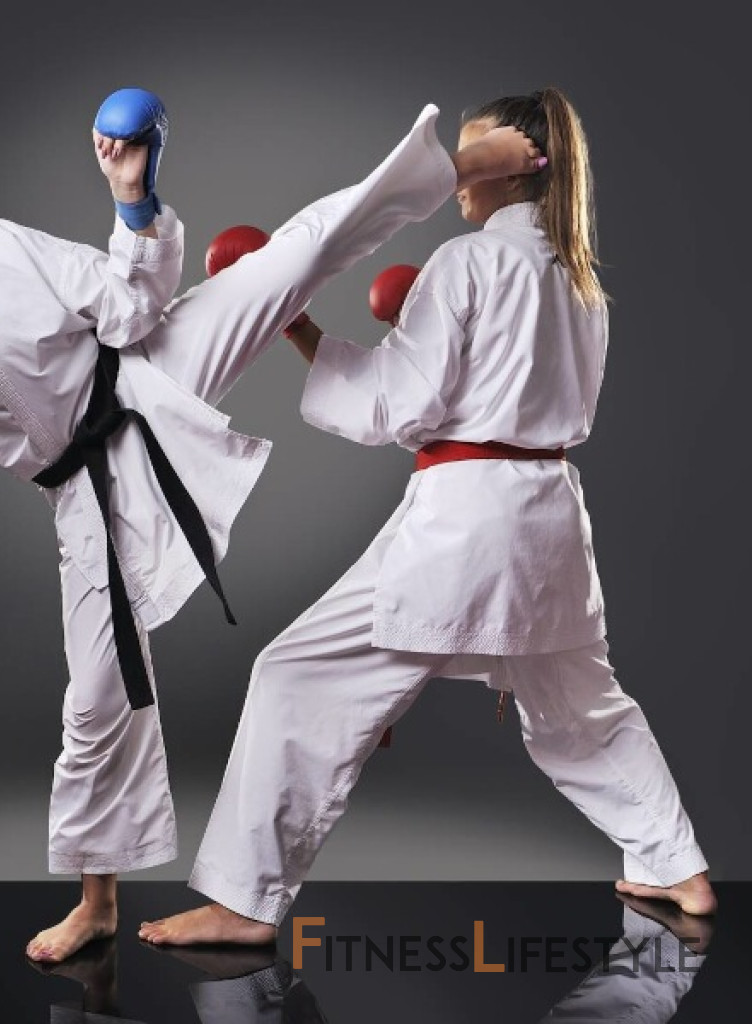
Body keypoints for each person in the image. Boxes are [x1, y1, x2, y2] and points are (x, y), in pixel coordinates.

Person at [0, 95, 544, 963]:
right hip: (85, 487)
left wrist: (133, 200)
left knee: (299, 251)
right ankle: (97, 905)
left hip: (149, 374)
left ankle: (465, 165)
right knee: (98, 701)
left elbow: (130, 311)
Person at [137, 86, 717, 949]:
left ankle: (242, 904)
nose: (459, 184)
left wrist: (296, 327)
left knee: (296, 678)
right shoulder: (582, 283)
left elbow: (400, 408)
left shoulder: (467, 263)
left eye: (472, 162)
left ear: (510, 168)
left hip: (466, 521)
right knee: (582, 710)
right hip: (552, 520)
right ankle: (678, 867)